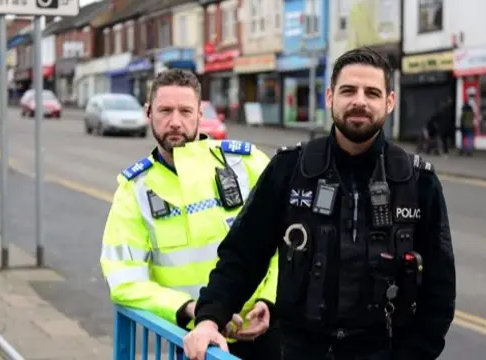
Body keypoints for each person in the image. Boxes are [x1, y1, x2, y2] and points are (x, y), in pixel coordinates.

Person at [183, 47, 456, 360]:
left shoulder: (418, 182)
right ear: (330, 97)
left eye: (372, 92)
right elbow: (243, 256)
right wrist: (208, 319)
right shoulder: (289, 169)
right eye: (348, 90)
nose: (360, 101)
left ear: (389, 102)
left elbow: (439, 292)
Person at [99, 69, 281, 359]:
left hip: (264, 333)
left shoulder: (247, 164)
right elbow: (123, 278)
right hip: (192, 343)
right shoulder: (133, 191)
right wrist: (188, 309)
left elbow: (285, 243)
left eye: (185, 111)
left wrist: (268, 299)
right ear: (148, 113)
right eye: (165, 110)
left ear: (199, 113)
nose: (175, 122)